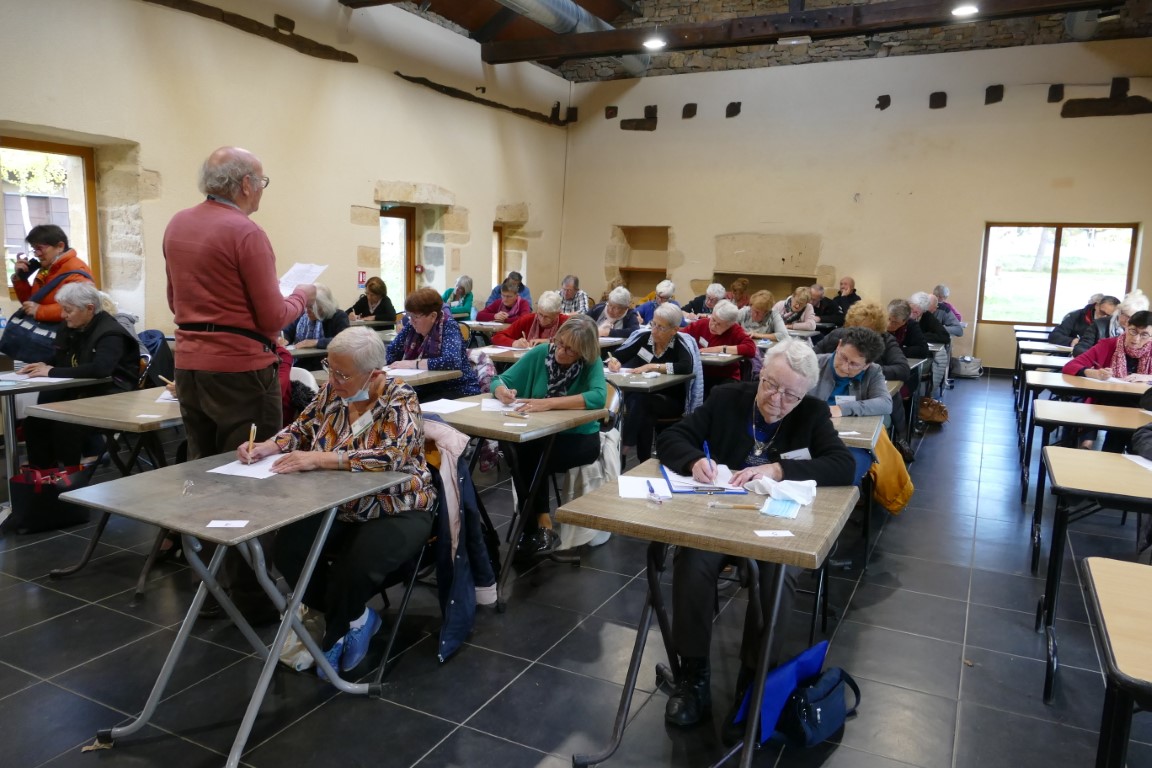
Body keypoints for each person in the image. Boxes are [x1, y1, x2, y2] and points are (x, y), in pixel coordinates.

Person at [656, 339, 855, 731]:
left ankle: (755, 675)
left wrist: (779, 470)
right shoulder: (728, 398)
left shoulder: (812, 414)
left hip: (777, 523)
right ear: (760, 374)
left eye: (790, 394)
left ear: (804, 395)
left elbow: (843, 465)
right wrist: (695, 459)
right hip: (720, 516)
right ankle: (693, 675)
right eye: (770, 385)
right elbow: (671, 438)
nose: (776, 400)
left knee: (777, 576)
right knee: (692, 561)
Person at [245, 328, 436, 680]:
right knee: (287, 549)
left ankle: (334, 632)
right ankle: (357, 618)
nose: (332, 380)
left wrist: (321, 459)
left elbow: (393, 455)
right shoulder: (332, 392)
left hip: (397, 504)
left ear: (375, 373)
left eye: (342, 374)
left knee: (355, 568)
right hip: (336, 503)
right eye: (329, 369)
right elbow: (301, 428)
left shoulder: (399, 398)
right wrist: (270, 445)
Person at [164, 146, 315, 461]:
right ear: (246, 184)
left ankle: (201, 513)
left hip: (189, 364)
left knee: (201, 462)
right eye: (263, 181)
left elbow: (173, 300)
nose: (262, 190)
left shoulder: (178, 223)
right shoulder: (246, 232)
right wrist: (302, 295)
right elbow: (273, 317)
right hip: (240, 369)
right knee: (249, 462)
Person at [491, 315, 607, 558]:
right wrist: (502, 391)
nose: (561, 352)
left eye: (570, 350)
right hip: (540, 435)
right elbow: (500, 379)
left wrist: (548, 404)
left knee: (526, 457)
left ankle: (536, 526)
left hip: (580, 438)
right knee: (520, 451)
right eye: (560, 343)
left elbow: (598, 396)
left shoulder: (591, 363)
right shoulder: (542, 353)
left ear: (583, 353)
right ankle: (540, 527)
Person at [21, 282, 141, 470]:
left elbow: (101, 369)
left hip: (114, 397)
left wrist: (52, 371)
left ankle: (70, 478)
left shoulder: (110, 333)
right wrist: (46, 364)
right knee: (34, 421)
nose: (63, 315)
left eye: (68, 310)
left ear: (90, 308)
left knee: (65, 425)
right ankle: (43, 476)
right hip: (83, 394)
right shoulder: (72, 327)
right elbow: (63, 355)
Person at [818, 301, 913, 459]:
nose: (858, 335)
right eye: (853, 328)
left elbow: (903, 369)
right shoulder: (837, 337)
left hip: (865, 403)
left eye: (864, 329)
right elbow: (811, 357)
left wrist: (864, 369)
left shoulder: (884, 345)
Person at [607, 303, 695, 462]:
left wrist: (652, 366)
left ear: (674, 330)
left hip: (669, 400)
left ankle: (624, 449)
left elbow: (686, 366)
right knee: (644, 411)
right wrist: (614, 362)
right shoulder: (644, 338)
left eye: (661, 328)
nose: (654, 330)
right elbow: (617, 355)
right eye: (653, 324)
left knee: (643, 403)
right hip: (641, 398)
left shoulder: (679, 345)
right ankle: (644, 460)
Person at [809, 327, 892, 481]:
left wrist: (841, 408)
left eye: (854, 364)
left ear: (866, 365)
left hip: (851, 443)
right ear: (839, 345)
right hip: (810, 438)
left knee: (844, 474)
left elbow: (885, 403)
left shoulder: (873, 372)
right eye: (843, 357)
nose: (844, 366)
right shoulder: (813, 363)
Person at [1062, 311, 1152, 451]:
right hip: (1108, 400)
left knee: (1128, 420)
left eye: (1144, 335)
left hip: (1141, 403)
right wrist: (1094, 373)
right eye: (1133, 331)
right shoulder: (1109, 344)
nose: (1136, 339)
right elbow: (1070, 366)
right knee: (1123, 418)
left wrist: (1148, 377)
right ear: (1126, 326)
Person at [386, 287, 481, 401]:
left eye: (416, 316)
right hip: (426, 388)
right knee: (390, 399)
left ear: (433, 316)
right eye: (409, 315)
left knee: (409, 404)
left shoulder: (448, 326)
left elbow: (451, 361)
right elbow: (391, 351)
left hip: (457, 389)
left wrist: (412, 364)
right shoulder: (411, 327)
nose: (411, 320)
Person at [13, 224, 94, 322]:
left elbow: (79, 307)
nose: (36, 254)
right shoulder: (47, 267)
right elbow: (30, 304)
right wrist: (20, 279)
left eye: (40, 248)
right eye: (34, 249)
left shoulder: (76, 270)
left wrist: (40, 311)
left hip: (65, 331)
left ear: (60, 246)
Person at [684, 299, 756, 393]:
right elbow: (680, 336)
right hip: (701, 374)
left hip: (725, 377)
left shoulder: (735, 330)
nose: (713, 326)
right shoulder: (701, 324)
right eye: (713, 320)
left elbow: (750, 348)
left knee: (717, 392)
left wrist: (719, 349)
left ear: (729, 325)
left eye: (719, 324)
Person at [1075, 290, 1148, 356]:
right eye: (1125, 315)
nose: (1127, 320)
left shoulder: (1143, 332)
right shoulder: (1099, 325)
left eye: (1132, 317)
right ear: (1119, 311)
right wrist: (1096, 358)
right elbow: (1080, 349)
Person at [281, 284, 350, 353]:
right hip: (300, 360)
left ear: (324, 307)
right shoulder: (302, 314)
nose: (307, 311)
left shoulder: (338, 316)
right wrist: (284, 339)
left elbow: (345, 340)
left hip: (325, 360)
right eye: (306, 306)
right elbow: (288, 331)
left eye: (311, 308)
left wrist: (317, 342)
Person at [491, 290, 568, 347]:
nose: (542, 319)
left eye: (547, 317)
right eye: (540, 314)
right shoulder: (528, 319)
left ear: (557, 314)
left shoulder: (566, 322)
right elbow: (497, 337)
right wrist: (514, 343)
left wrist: (549, 341)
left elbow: (578, 342)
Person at [1049, 295, 1118, 348]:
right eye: (1102, 312)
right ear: (1096, 306)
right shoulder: (1076, 316)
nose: (1104, 317)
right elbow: (1054, 336)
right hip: (1074, 354)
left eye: (1109, 316)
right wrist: (1071, 341)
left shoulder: (1116, 324)